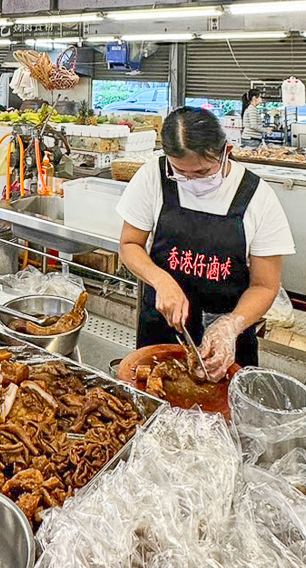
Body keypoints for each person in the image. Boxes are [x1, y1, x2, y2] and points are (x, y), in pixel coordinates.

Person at [118, 107, 295, 379]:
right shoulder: (153, 176)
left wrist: (230, 327)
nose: (191, 181)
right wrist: (161, 281)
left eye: (202, 172)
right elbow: (130, 244)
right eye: (180, 172)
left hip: (229, 340)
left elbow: (265, 285)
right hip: (161, 329)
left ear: (227, 151)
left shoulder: (257, 197)